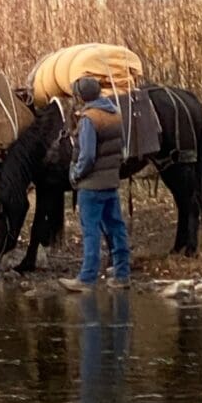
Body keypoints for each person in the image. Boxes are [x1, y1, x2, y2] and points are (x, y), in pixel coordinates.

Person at [59, 76, 130, 292]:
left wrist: (76, 174)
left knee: (91, 232)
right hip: (110, 183)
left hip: (91, 186)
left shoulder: (89, 119)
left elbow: (87, 156)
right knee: (117, 228)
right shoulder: (115, 114)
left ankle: (87, 279)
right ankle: (122, 275)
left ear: (81, 97)